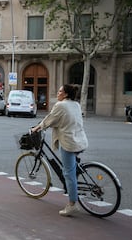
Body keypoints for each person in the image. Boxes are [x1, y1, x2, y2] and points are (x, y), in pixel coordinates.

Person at [31, 84, 88, 217]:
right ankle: (73, 187)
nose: (57, 93)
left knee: (68, 173)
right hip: (79, 140)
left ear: (66, 94)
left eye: (60, 91)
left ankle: (72, 204)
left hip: (68, 142)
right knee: (72, 169)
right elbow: (64, 120)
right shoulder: (76, 104)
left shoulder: (61, 105)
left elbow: (49, 119)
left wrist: (36, 128)